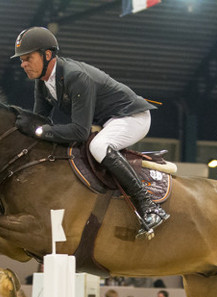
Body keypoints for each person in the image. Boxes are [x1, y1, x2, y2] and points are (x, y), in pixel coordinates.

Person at [11, 26, 167, 237]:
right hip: (111, 120)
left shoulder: (76, 77)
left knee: (98, 145)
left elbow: (79, 132)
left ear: (47, 55)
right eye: (21, 59)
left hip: (132, 116)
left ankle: (149, 206)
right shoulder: (42, 82)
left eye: (28, 58)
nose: (23, 64)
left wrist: (39, 131)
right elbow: (39, 121)